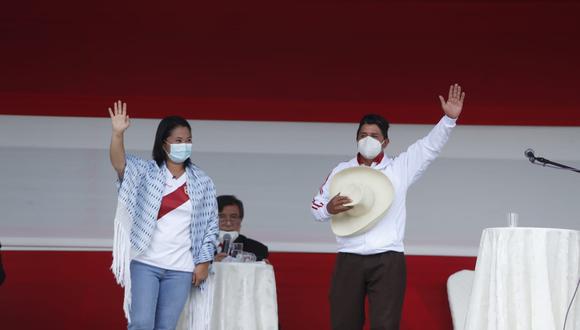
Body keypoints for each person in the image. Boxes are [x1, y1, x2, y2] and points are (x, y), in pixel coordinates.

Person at [311, 84, 465, 329]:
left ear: (385, 142)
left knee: (385, 325)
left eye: (374, 136)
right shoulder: (341, 172)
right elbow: (316, 210)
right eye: (363, 135)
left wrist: (449, 119)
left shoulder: (399, 169)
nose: (367, 140)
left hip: (388, 259)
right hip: (348, 258)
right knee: (343, 323)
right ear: (356, 139)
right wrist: (329, 208)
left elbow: (428, 147)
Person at [108, 101, 218, 330]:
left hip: (180, 267)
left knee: (166, 327)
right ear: (164, 143)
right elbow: (120, 165)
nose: (184, 145)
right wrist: (117, 134)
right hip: (145, 262)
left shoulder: (202, 181)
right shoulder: (145, 172)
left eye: (188, 140)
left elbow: (210, 225)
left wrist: (204, 262)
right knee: (141, 324)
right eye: (178, 141)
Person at [214, 195, 269, 262]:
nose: (228, 223)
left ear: (240, 220)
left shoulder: (257, 249)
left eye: (233, 217)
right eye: (221, 216)